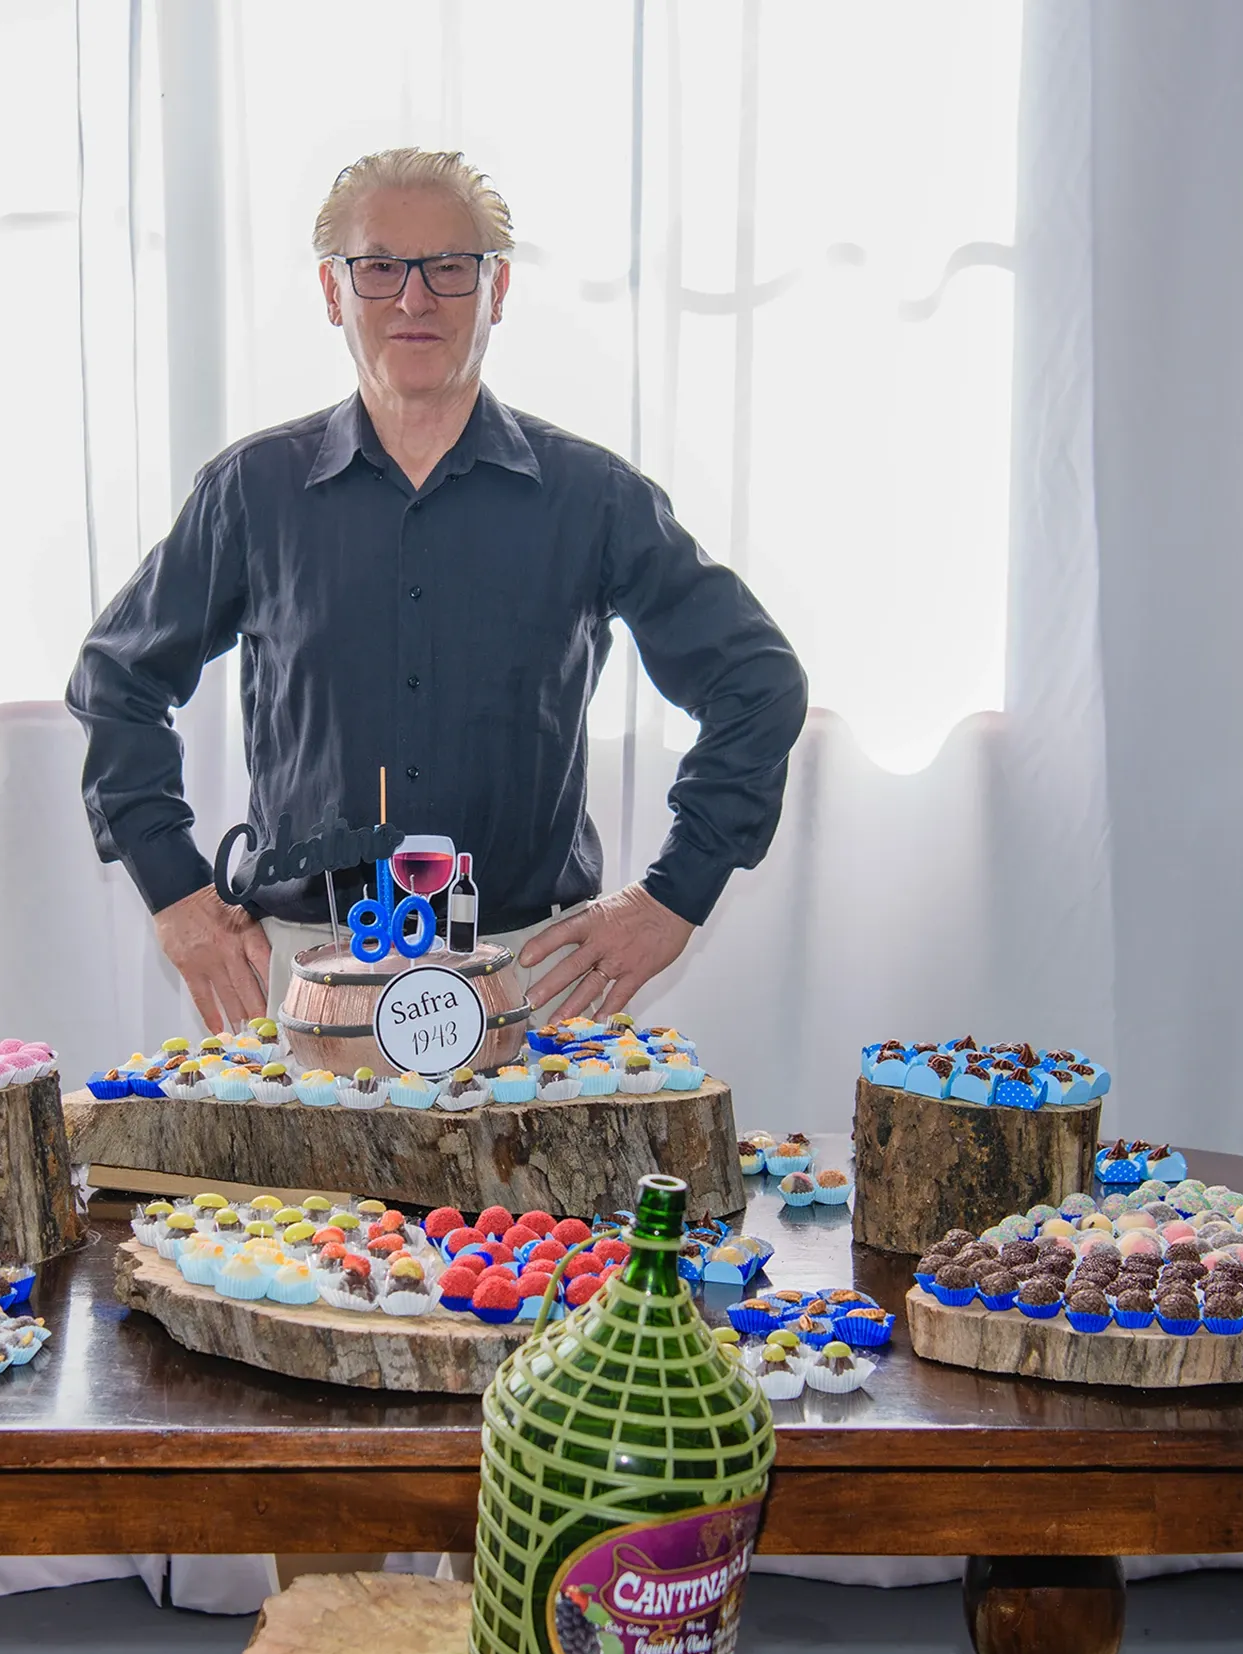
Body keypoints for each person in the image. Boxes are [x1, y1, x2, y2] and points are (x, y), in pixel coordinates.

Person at [70, 148, 806, 1034]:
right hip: (305, 982)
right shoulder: (251, 493)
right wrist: (176, 894)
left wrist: (674, 896)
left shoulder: (593, 498)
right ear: (334, 291)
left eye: (450, 268)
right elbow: (117, 679)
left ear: (496, 290)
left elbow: (757, 686)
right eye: (379, 267)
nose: (413, 300)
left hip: (530, 979)